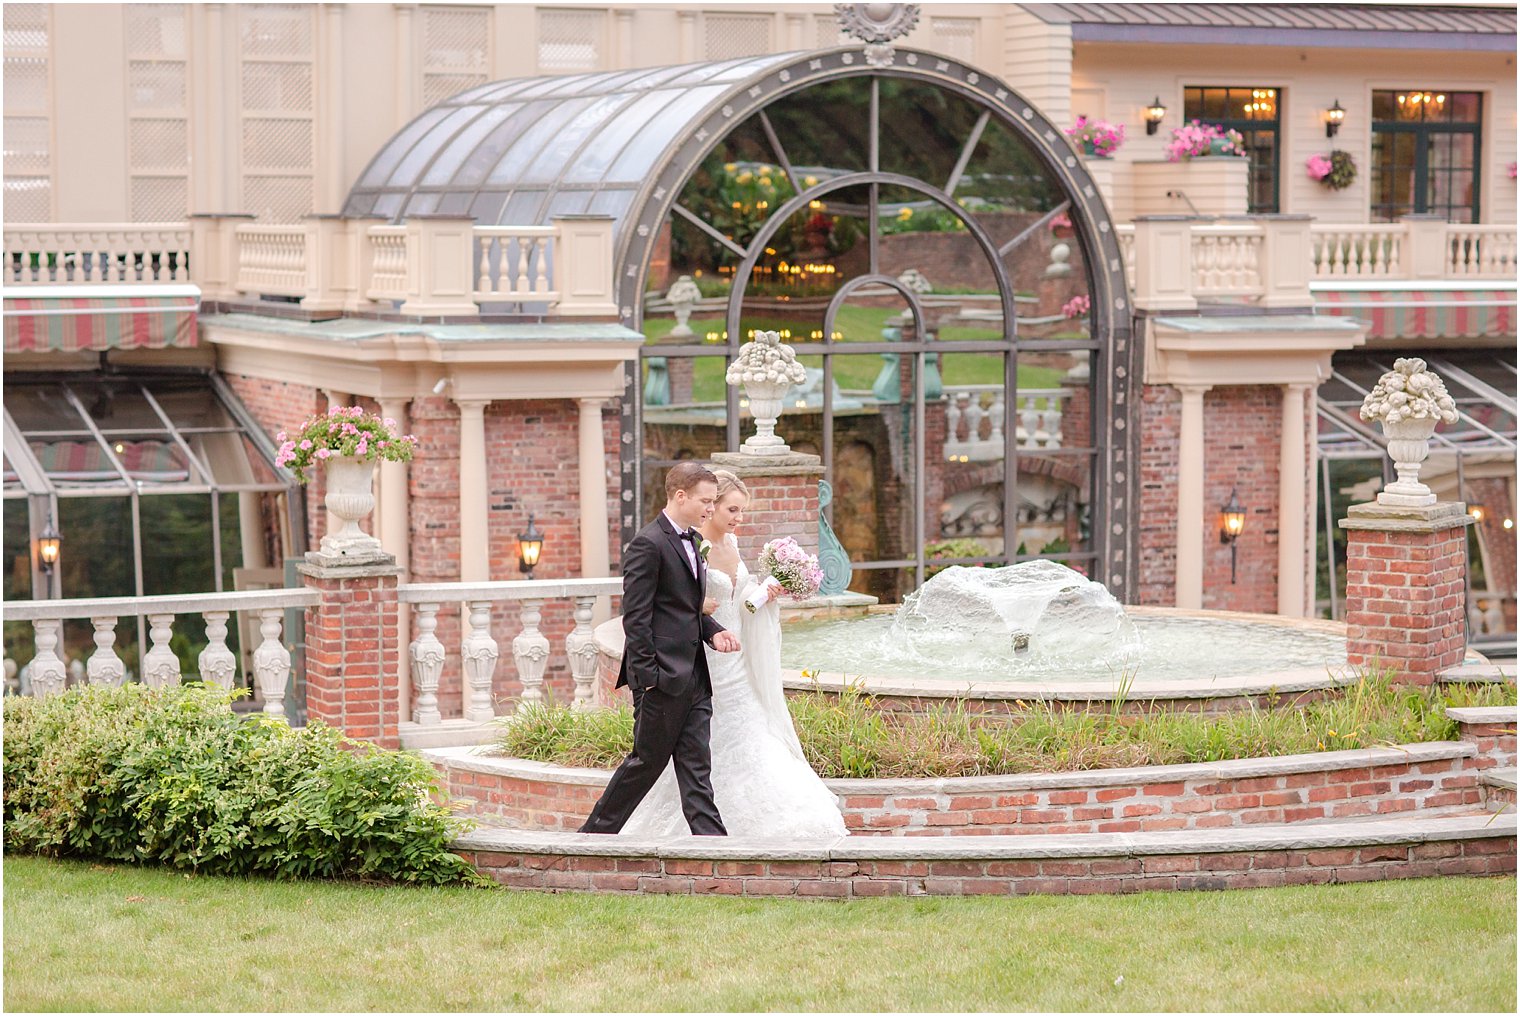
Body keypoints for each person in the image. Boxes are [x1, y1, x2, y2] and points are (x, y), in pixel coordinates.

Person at [621, 469, 848, 840]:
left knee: (735, 740)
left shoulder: (726, 544)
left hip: (732, 655)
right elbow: (653, 609)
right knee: (664, 757)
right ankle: (602, 833)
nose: (732, 516)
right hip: (692, 663)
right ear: (693, 501)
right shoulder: (683, 546)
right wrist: (652, 673)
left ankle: (715, 837)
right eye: (725, 507)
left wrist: (764, 594)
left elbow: (732, 602)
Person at [579, 462, 741, 836]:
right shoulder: (647, 544)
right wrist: (649, 678)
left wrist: (713, 631)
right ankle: (593, 837)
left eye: (713, 501)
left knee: (697, 765)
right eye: (705, 500)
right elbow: (635, 618)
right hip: (661, 679)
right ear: (680, 496)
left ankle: (714, 847)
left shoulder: (693, 540)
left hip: (695, 676)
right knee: (646, 763)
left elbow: (684, 608)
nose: (710, 508)